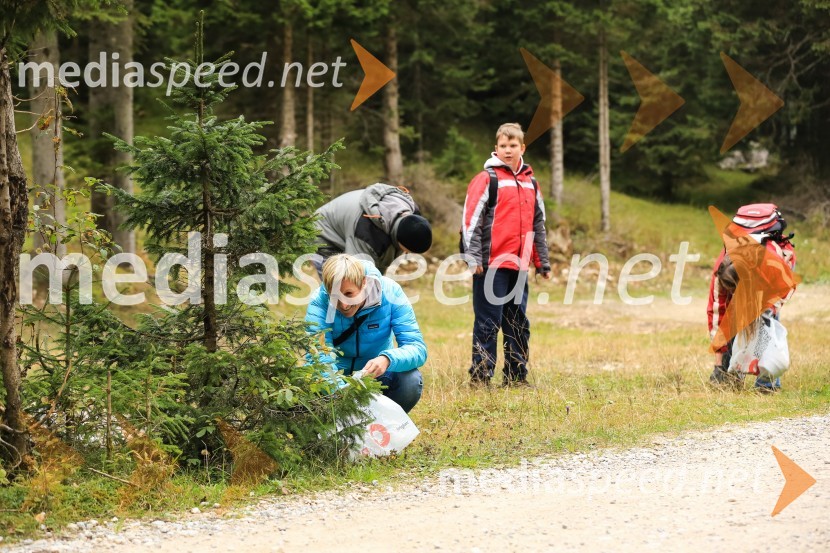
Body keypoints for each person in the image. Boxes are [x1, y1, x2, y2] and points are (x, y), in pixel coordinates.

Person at [460, 123, 551, 388]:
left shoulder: (531, 182)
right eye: (503, 146)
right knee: (489, 322)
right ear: (496, 148)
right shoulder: (488, 179)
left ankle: (516, 377)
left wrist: (541, 261)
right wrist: (473, 258)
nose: (508, 150)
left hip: (519, 265)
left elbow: (539, 225)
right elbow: (471, 221)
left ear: (522, 147)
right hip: (491, 265)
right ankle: (480, 377)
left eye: (513, 146)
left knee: (518, 321)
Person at [305, 254, 426, 412]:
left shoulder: (391, 293)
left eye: (349, 294)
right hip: (336, 378)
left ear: (364, 283)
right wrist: (343, 396)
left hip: (377, 375)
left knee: (410, 380)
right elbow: (319, 358)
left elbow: (417, 347)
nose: (344, 305)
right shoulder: (319, 302)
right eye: (335, 296)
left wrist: (387, 359)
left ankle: (386, 426)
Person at [707, 208, 796, 392]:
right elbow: (717, 315)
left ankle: (767, 383)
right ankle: (731, 375)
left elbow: (787, 288)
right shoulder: (720, 272)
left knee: (765, 323)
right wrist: (719, 360)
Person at [314, 184, 433, 275]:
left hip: (347, 228)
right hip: (323, 231)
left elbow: (378, 270)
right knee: (341, 288)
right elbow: (357, 274)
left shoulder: (411, 215)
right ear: (400, 241)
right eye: (408, 250)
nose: (408, 253)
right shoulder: (367, 232)